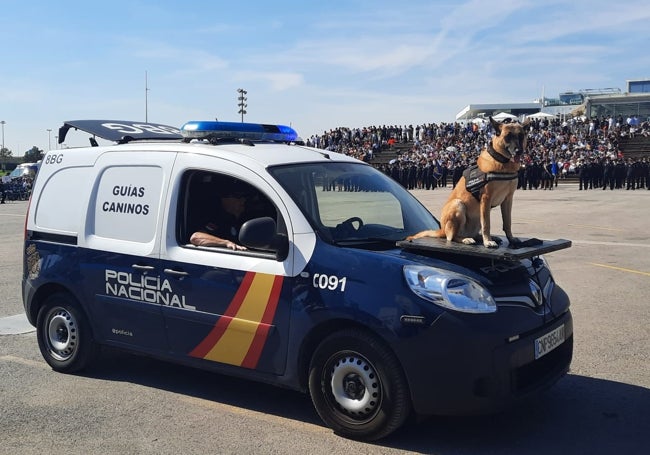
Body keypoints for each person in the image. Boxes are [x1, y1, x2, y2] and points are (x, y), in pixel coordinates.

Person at [190, 182, 249, 251]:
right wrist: (226, 243)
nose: (243, 200)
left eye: (244, 197)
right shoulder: (218, 219)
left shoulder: (248, 218)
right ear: (224, 199)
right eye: (238, 196)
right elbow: (196, 237)